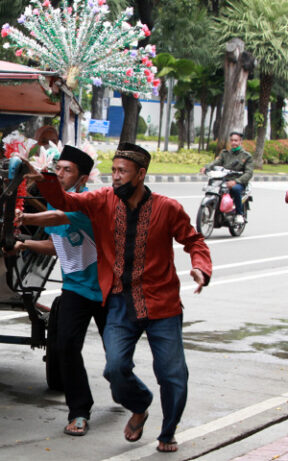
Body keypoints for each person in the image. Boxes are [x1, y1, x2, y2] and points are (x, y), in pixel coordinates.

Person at [26, 142, 212, 453]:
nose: (115, 177)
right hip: (120, 303)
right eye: (112, 171)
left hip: (163, 304)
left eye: (122, 172)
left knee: (172, 374)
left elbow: (194, 240)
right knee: (114, 369)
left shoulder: (168, 208)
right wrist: (45, 178)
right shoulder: (102, 200)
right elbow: (65, 200)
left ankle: (167, 433)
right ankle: (140, 404)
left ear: (140, 174)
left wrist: (200, 268)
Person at [14, 145, 104, 437]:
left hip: (107, 290)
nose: (61, 174)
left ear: (83, 178)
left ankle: (130, 393)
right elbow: (56, 246)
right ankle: (79, 411)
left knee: (117, 359)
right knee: (65, 347)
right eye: (59, 169)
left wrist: (23, 219)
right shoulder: (54, 205)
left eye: (68, 170)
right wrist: (25, 244)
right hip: (75, 289)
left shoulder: (87, 202)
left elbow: (58, 220)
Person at [200, 131, 254, 224]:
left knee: (236, 190)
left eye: (236, 140)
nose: (233, 143)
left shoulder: (246, 156)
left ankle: (239, 214)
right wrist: (207, 167)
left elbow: (249, 173)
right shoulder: (225, 154)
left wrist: (236, 181)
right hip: (224, 180)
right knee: (212, 188)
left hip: (239, 182)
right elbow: (216, 162)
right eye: (232, 140)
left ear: (240, 142)